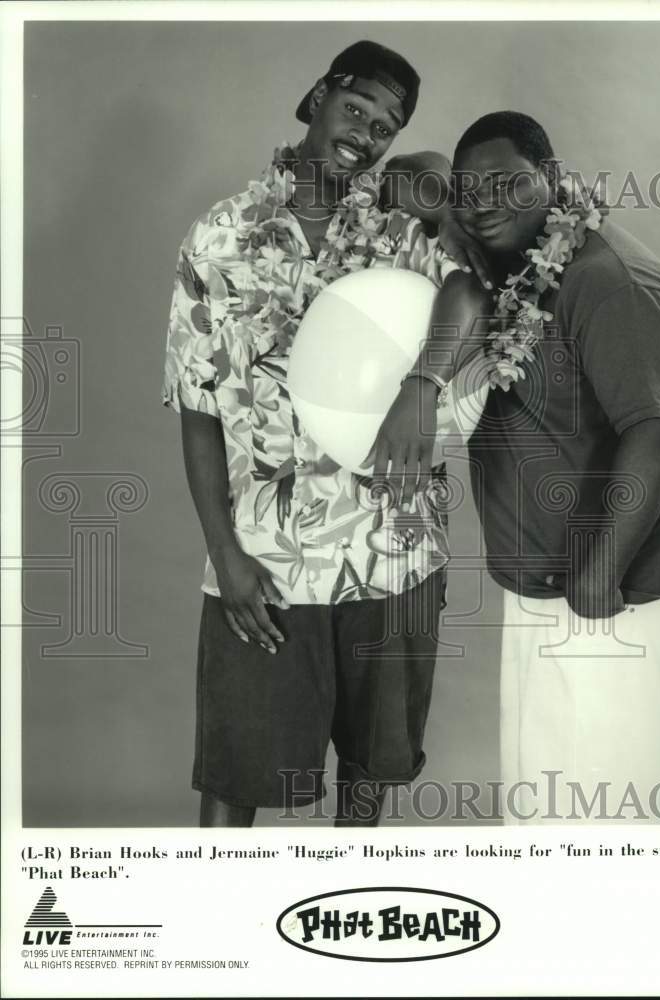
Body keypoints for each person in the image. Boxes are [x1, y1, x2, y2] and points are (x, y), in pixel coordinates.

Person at [161, 41, 486, 827]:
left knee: (368, 777)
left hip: (394, 552)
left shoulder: (402, 223)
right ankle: (212, 937)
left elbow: (470, 291)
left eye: (386, 125)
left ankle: (337, 915)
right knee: (236, 778)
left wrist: (423, 384)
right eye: (356, 109)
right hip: (267, 565)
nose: (367, 134)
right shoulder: (219, 237)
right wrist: (226, 555)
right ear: (316, 97)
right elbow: (198, 408)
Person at [374, 111, 660, 823]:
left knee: (616, 807)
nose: (485, 199)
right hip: (544, 577)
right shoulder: (504, 260)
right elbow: (414, 173)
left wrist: (598, 573)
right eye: (472, 188)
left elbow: (656, 428)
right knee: (548, 797)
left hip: (615, 585)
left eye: (507, 182)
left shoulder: (611, 278)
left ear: (553, 180)